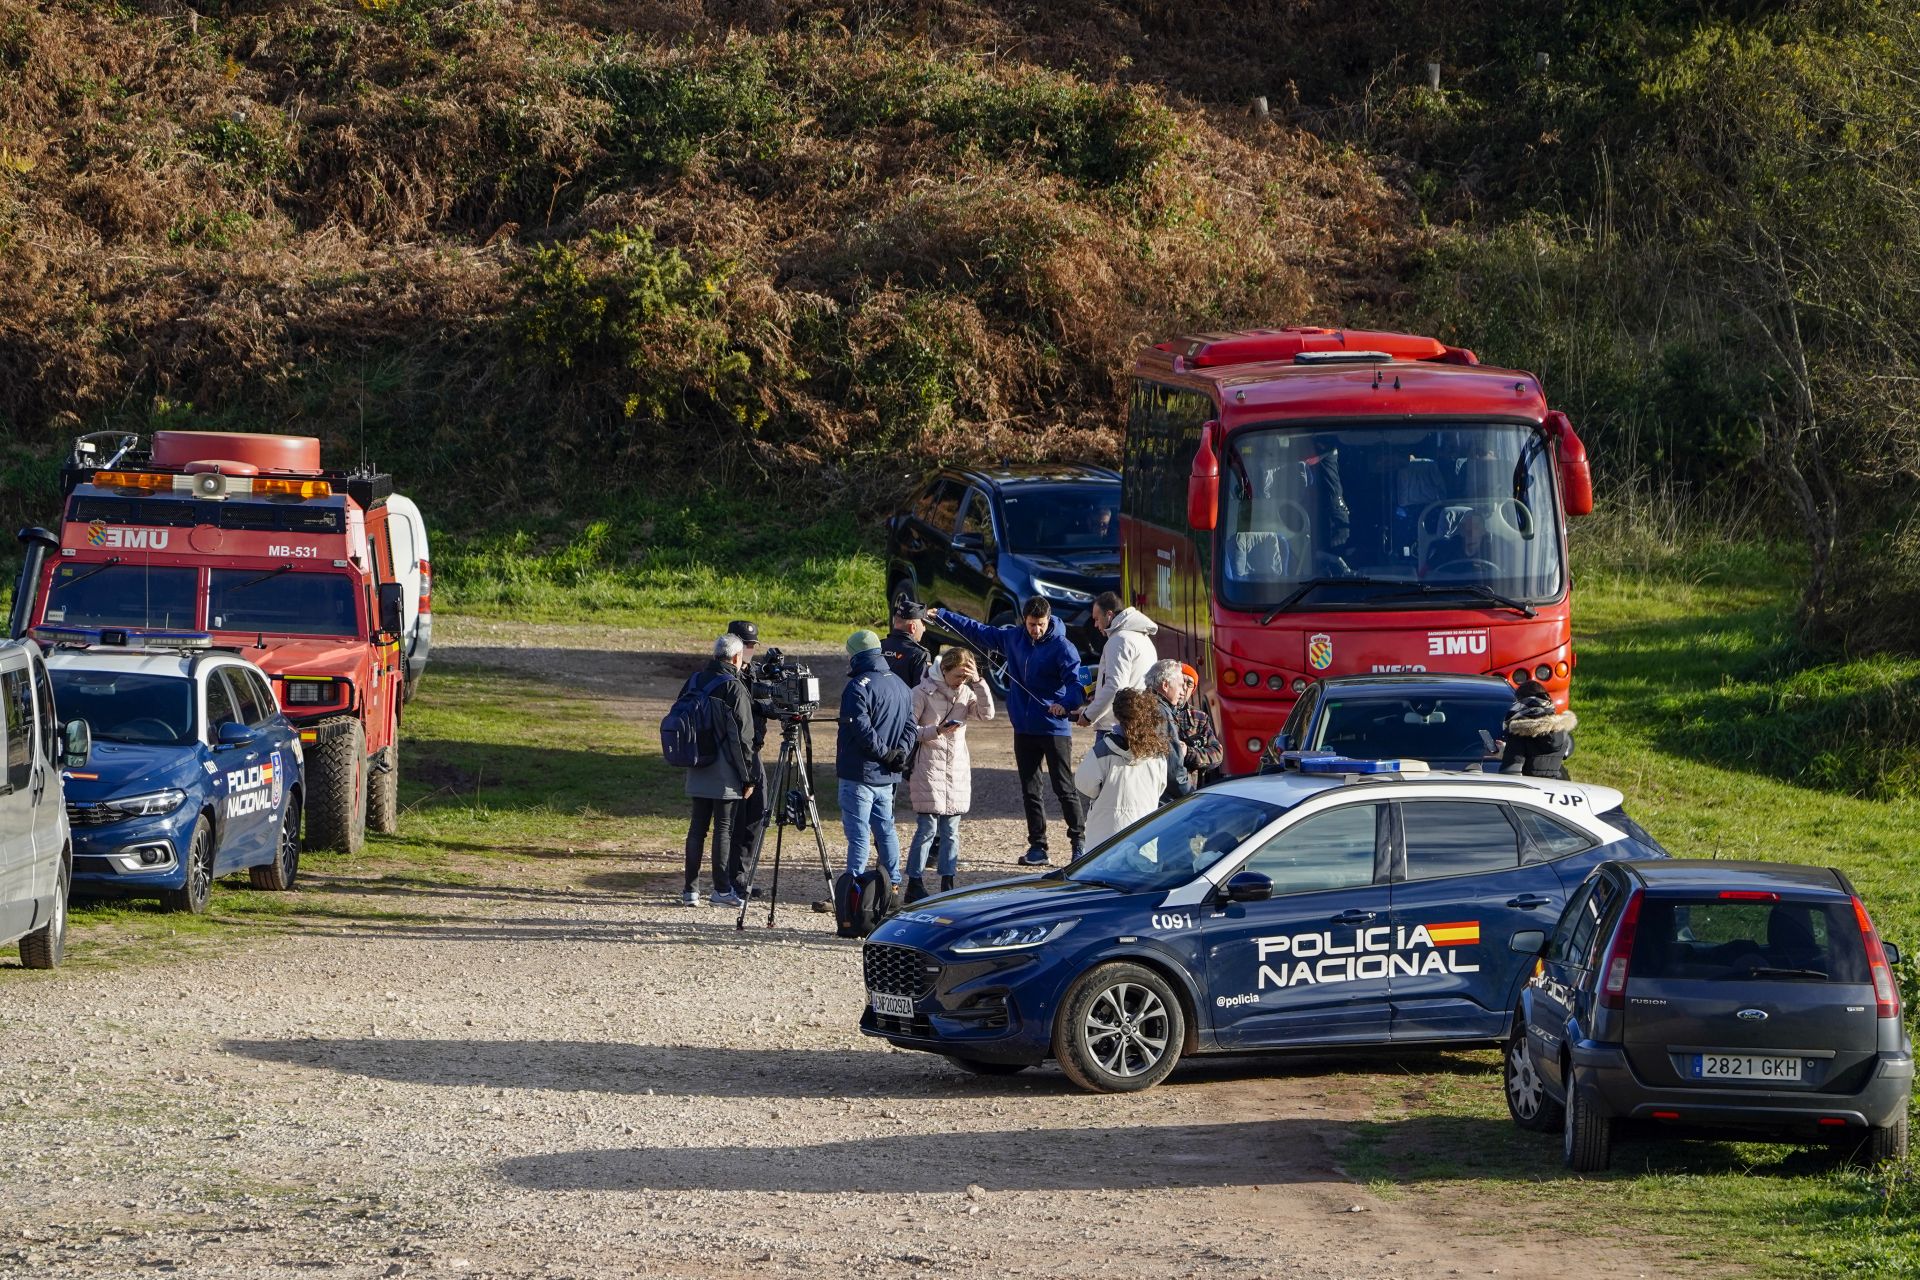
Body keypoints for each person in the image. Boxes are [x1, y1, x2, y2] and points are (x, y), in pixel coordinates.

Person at [926, 596, 1086, 867]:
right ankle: (1038, 846)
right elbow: (977, 630)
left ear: (1049, 620)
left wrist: (1066, 704)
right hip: (1023, 727)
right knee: (1030, 788)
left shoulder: (1063, 647)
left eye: (1041, 624)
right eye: (1032, 624)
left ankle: (1079, 844)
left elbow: (1080, 681)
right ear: (1024, 620)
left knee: (1064, 787)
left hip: (1053, 727)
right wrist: (942, 614)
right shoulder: (1013, 637)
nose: (1036, 629)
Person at [904, 647, 995, 901]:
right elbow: (908, 731)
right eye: (957, 676)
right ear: (943, 671)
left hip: (955, 769)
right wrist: (936, 731)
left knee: (952, 830)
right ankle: (915, 881)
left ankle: (948, 881)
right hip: (929, 767)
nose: (960, 682)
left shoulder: (967, 691)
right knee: (927, 828)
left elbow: (987, 714)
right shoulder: (921, 693)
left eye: (965, 678)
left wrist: (978, 681)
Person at [835, 629, 918, 888]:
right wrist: (898, 755)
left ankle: (854, 887)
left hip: (859, 774)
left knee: (858, 834)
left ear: (857, 655)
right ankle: (892, 885)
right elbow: (910, 726)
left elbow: (862, 730)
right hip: (886, 776)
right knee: (886, 831)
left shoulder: (857, 687)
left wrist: (887, 753)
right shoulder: (901, 685)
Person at [681, 633, 756, 908]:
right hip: (725, 769)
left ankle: (690, 890)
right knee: (723, 829)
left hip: (697, 762)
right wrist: (748, 776)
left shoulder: (695, 680)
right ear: (736, 658)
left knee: (697, 828)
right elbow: (743, 738)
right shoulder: (733, 687)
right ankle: (721, 890)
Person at [1074, 688, 1180, 848]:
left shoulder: (1104, 749)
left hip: (1105, 834)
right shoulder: (1158, 754)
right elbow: (1160, 787)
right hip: (1144, 835)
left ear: (1116, 715)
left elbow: (1084, 784)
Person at [726, 619, 770, 899]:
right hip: (730, 752)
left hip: (752, 751)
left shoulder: (754, 674)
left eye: (754, 646)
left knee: (759, 807)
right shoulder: (725, 675)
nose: (751, 650)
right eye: (747, 645)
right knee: (735, 815)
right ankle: (730, 877)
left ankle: (741, 872)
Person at [1077, 592, 1159, 732]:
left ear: (1109, 614)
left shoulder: (1119, 640)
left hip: (1115, 727)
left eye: (1097, 619)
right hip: (1139, 722)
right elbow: (1130, 680)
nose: (1096, 625)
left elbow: (1115, 686)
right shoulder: (1142, 637)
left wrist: (1089, 715)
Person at [1144, 658, 1198, 803]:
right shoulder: (1161, 713)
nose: (1183, 691)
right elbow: (1173, 770)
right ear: (1166, 685)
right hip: (1161, 798)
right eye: (1180, 685)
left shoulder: (1144, 703)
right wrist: (1191, 796)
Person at [1499, 680, 1576, 778]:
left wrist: (1508, 753)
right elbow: (1538, 758)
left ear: (1521, 702)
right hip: (1550, 789)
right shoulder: (1561, 730)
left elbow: (1510, 773)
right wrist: (1506, 751)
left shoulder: (1519, 731)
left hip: (1525, 791)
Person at [1173, 662, 1224, 784]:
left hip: (1189, 790)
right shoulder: (1157, 713)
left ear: (1193, 690)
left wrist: (1188, 753)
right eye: (1181, 681)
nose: (1184, 687)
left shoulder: (1199, 717)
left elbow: (1217, 754)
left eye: (1189, 684)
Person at [881, 597, 933, 692]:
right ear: (913, 627)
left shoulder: (877, 646)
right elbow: (923, 693)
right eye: (923, 624)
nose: (924, 629)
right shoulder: (920, 655)